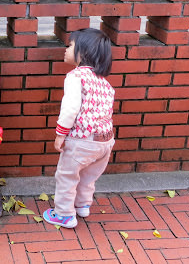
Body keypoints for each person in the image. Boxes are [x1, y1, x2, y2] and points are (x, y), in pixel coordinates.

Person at [43, 28, 115, 228]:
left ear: (83, 52)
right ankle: (82, 205)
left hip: (81, 140)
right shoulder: (103, 82)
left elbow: (70, 109)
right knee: (88, 176)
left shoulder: (75, 77)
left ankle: (64, 214)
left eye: (70, 45)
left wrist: (60, 134)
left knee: (67, 176)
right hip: (105, 141)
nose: (66, 49)